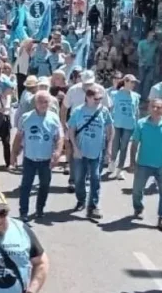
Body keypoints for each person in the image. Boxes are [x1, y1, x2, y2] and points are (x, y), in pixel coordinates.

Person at [11, 91, 63, 221]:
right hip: (29, 159)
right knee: (26, 186)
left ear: (50, 103)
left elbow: (59, 138)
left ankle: (40, 209)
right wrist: (13, 154)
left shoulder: (54, 118)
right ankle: (23, 212)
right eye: (40, 101)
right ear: (35, 102)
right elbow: (18, 137)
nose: (43, 104)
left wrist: (57, 153)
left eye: (46, 102)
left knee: (44, 185)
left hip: (46, 160)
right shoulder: (26, 117)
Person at [129, 98, 162, 231]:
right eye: (153, 107)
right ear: (149, 108)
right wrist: (132, 162)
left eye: (159, 107)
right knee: (137, 189)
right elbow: (134, 144)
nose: (156, 110)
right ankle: (138, 208)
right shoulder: (141, 123)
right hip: (143, 163)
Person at [67, 84, 113, 218]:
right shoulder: (78, 111)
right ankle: (81, 199)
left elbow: (110, 129)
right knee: (79, 179)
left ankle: (93, 206)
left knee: (95, 178)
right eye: (96, 98)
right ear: (88, 97)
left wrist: (109, 147)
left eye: (100, 98)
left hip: (97, 152)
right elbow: (71, 131)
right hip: (80, 152)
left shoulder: (104, 111)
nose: (99, 101)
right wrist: (75, 148)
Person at [109, 74, 140, 180]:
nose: (133, 84)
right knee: (115, 144)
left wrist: (137, 124)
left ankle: (120, 169)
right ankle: (113, 160)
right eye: (131, 82)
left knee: (124, 146)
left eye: (134, 82)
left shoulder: (136, 96)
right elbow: (110, 108)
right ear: (125, 82)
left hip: (129, 124)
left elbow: (136, 111)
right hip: (117, 123)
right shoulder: (115, 94)